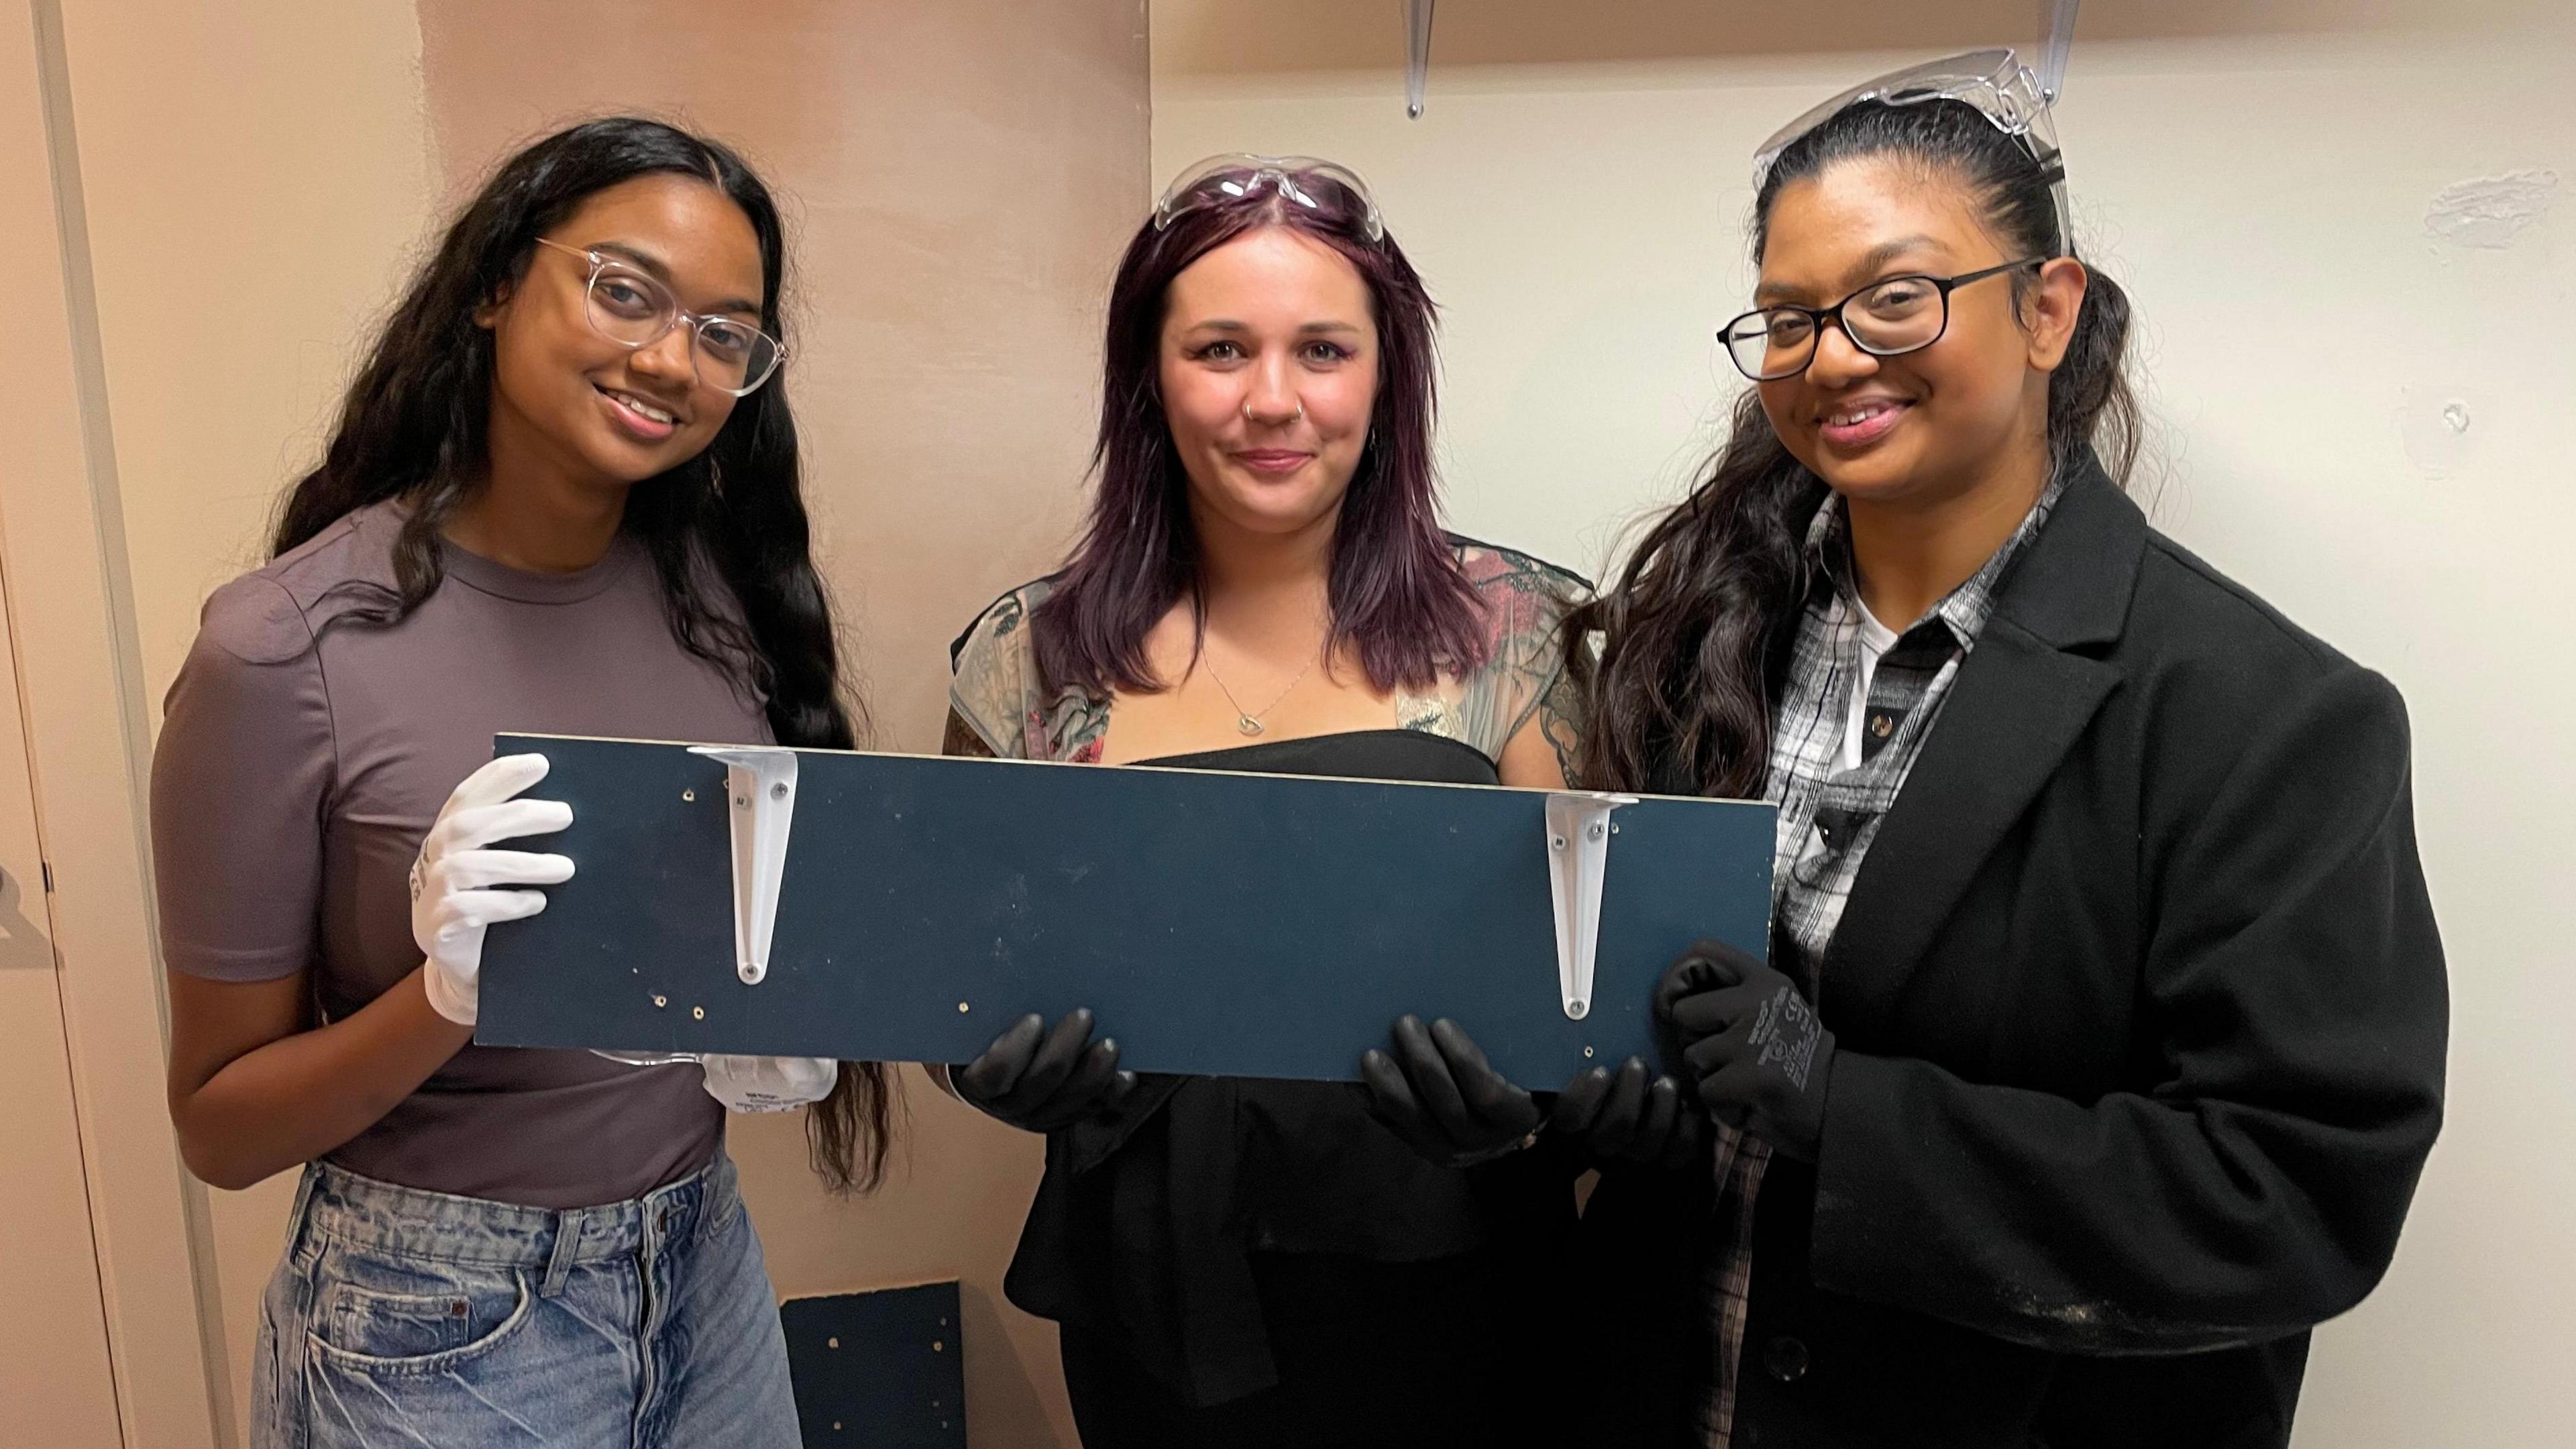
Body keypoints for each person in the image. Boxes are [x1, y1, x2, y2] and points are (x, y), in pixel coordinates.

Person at [1562, 53, 2449, 1447]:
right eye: (1790, 319)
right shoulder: (1706, 639)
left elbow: (2293, 1200)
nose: (1836, 355)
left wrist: (1846, 1115)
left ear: (2049, 309)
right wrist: (1587, 1110)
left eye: (1896, 297)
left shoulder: (2266, 716)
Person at [152, 117, 894, 1448]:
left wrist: (771, 1008)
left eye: (726, 334)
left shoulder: (716, 608)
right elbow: (220, 1129)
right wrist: (448, 998)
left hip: (701, 1262)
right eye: (625, 292)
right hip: (435, 1317)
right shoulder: (281, 648)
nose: (673, 358)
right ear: (496, 285)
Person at [937, 155, 1670, 1446]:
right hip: (1152, 1305)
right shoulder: (1027, 660)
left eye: (1323, 349)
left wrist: (1542, 1110)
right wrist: (983, 1069)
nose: (1273, 401)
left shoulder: (1521, 634)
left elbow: (1597, 991)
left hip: (1458, 1295)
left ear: (1387, 377)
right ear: (1147, 377)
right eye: (1220, 348)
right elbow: (937, 974)